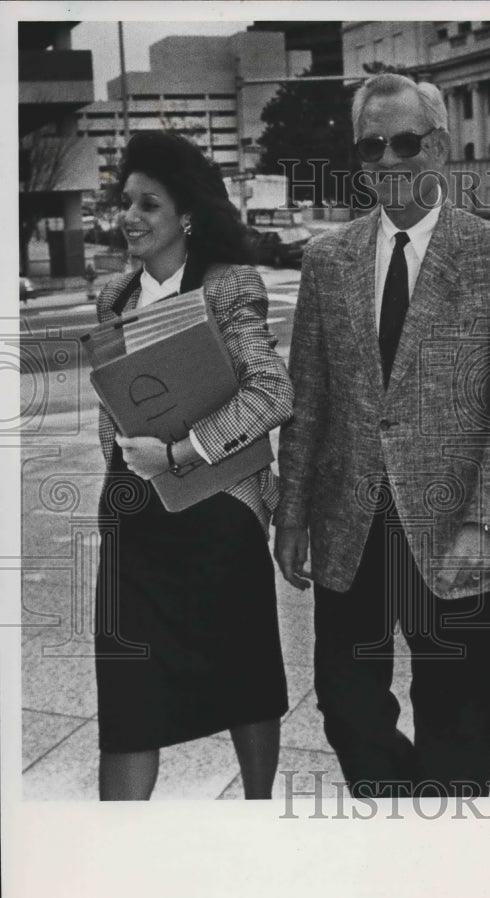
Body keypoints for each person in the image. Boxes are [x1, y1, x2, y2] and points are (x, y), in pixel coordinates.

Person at [275, 74, 490, 798]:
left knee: (456, 727)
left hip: (457, 526)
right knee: (345, 708)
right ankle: (408, 814)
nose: (388, 159)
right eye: (371, 145)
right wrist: (291, 514)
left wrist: (488, 522)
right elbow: (307, 399)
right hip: (351, 526)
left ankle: (442, 864)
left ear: (436, 146)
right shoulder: (327, 260)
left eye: (405, 142)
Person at [93, 131, 293, 800]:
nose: (130, 217)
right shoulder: (114, 298)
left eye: (149, 204)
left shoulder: (228, 286)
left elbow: (272, 392)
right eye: (125, 203)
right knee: (126, 700)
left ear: (186, 217)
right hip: (135, 519)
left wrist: (181, 452)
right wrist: (125, 470)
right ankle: (114, 853)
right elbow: (112, 401)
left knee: (245, 679)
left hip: (218, 517)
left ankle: (259, 813)